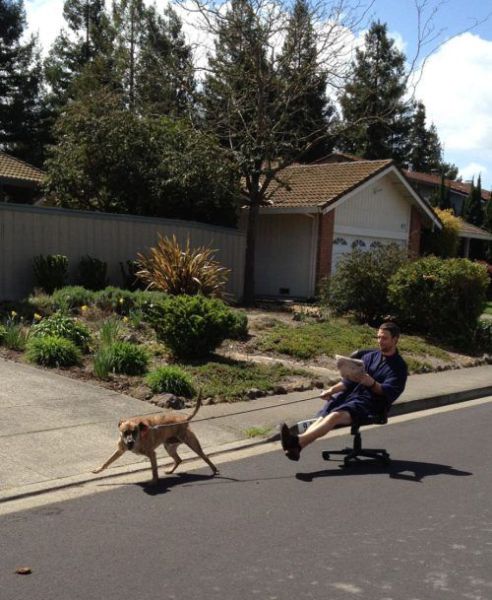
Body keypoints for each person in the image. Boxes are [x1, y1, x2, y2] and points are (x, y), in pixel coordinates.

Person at [280, 321, 408, 461]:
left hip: (371, 404)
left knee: (335, 416)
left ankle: (296, 442)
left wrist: (371, 383)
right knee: (326, 413)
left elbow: (388, 392)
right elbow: (349, 380)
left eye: (384, 338)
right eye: (378, 337)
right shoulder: (370, 356)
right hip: (352, 396)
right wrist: (330, 390)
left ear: (395, 340)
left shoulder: (399, 367)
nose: (379, 341)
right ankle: (298, 446)